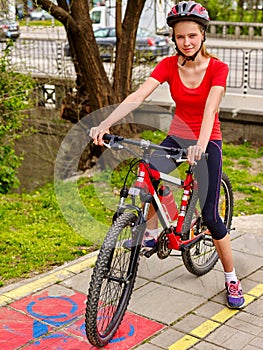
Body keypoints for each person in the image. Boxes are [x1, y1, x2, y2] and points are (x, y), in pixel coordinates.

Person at [90, 1, 245, 309]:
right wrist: (105, 123)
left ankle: (231, 277)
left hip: (206, 139)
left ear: (202, 34)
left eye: (192, 35)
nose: (186, 42)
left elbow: (210, 109)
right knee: (148, 173)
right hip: (177, 136)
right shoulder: (167, 65)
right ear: (173, 38)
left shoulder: (218, 68)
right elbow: (138, 96)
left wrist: (199, 146)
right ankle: (151, 230)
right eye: (180, 37)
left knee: (212, 216)